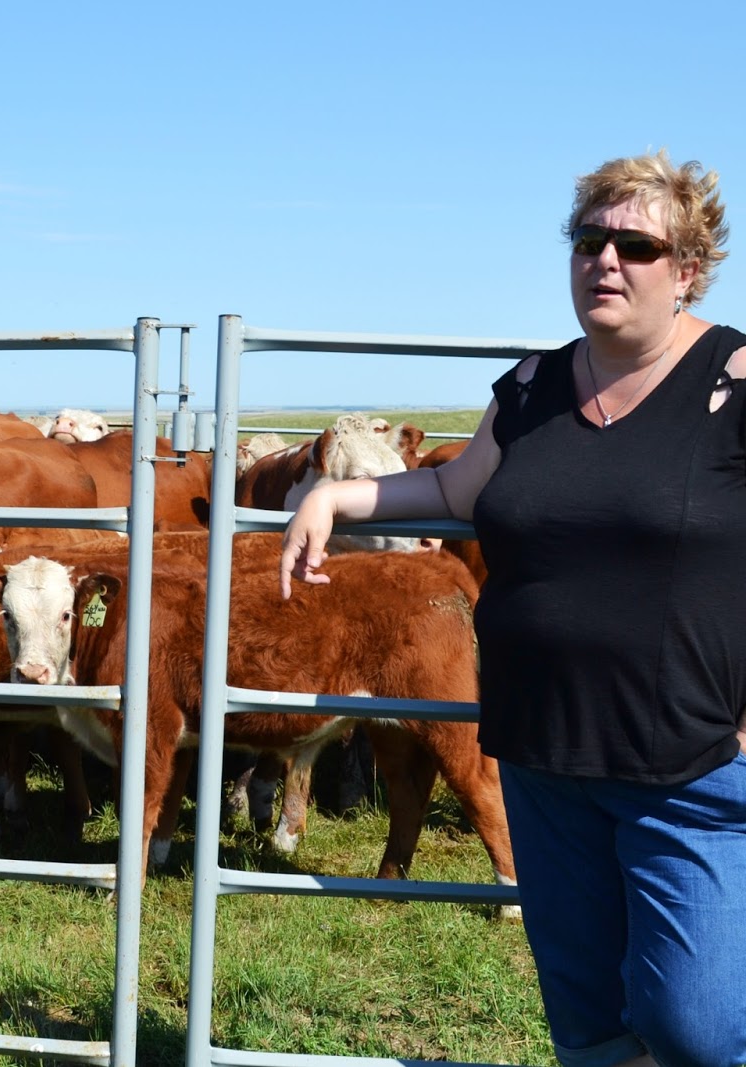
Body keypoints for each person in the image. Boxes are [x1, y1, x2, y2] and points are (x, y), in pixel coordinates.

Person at [279, 151, 746, 1067]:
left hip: (688, 763)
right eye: (588, 240)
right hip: (540, 755)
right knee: (588, 1020)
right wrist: (334, 500)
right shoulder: (531, 389)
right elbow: (457, 487)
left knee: (700, 1022)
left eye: (635, 245)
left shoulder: (733, 382)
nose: (605, 261)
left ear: (687, 268)